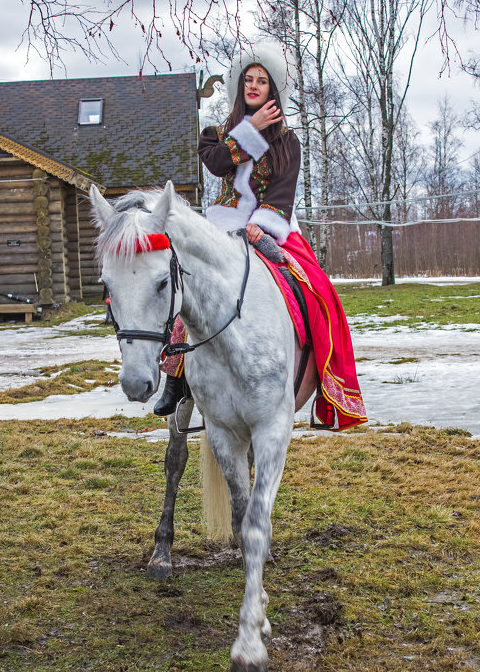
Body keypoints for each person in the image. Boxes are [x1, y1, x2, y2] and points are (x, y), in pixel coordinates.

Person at [155, 41, 366, 429]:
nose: (253, 86)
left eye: (262, 81)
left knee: (317, 289)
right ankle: (176, 376)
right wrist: (251, 129)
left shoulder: (289, 141)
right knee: (189, 285)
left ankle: (317, 375)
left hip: (271, 224)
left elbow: (283, 190)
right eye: (248, 80)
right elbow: (219, 164)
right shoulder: (215, 135)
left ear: (273, 90)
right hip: (222, 227)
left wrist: (263, 221)